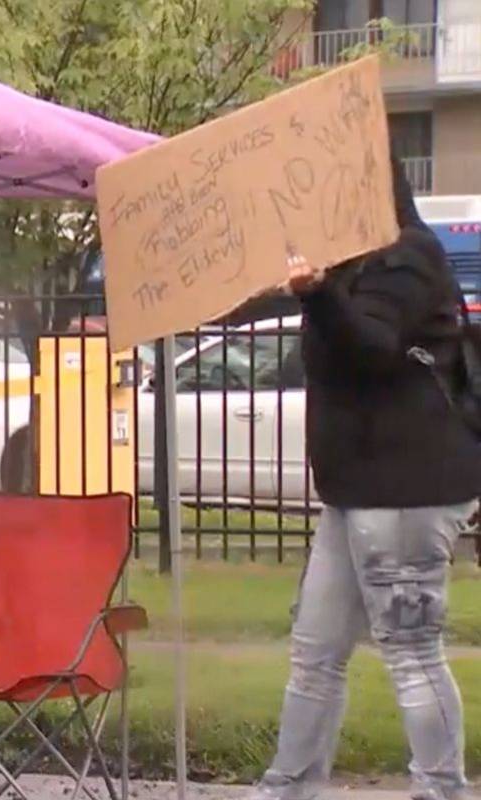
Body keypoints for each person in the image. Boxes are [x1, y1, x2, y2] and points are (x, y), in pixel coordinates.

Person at [249, 158, 481, 800]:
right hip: (354, 489)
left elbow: (372, 347)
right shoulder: (351, 265)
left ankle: (440, 788)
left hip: (405, 486)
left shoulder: (407, 257)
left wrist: (320, 295)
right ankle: (290, 785)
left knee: (410, 651)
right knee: (316, 651)